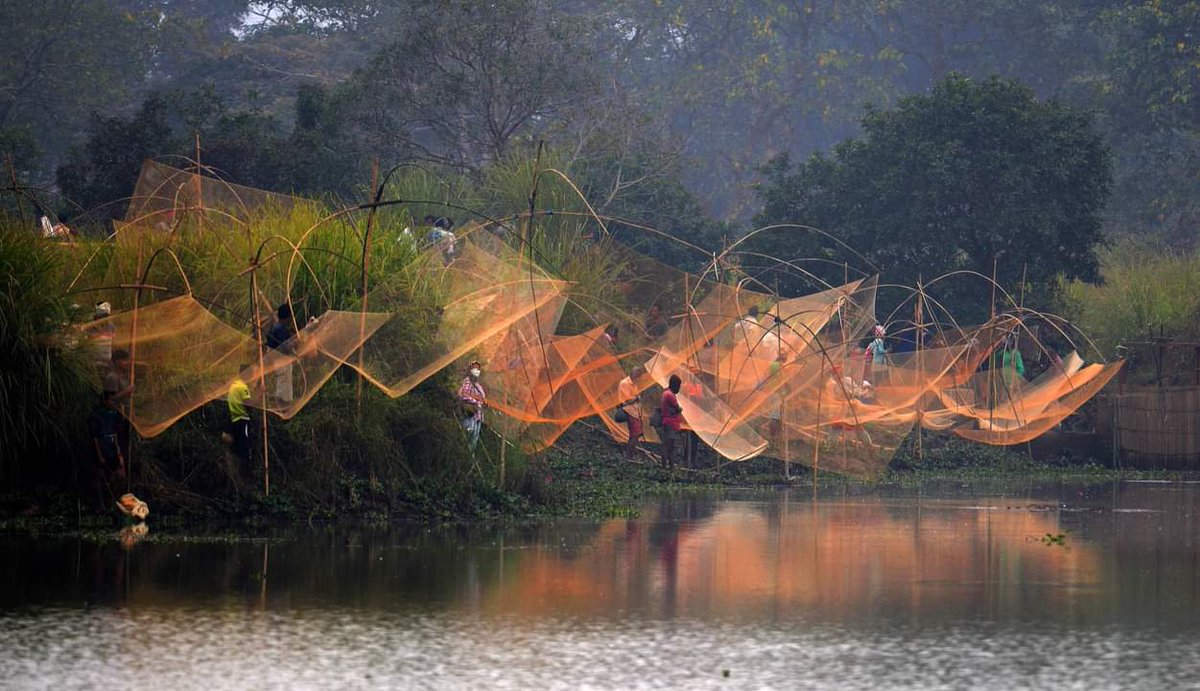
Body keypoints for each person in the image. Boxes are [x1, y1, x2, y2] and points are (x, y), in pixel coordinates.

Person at [85, 391, 127, 508]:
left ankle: (112, 501)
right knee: (99, 475)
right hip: (100, 450)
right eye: (111, 400)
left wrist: (118, 451)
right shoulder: (96, 416)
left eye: (114, 401)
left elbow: (116, 432)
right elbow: (95, 437)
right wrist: (100, 455)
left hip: (111, 449)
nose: (113, 403)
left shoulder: (113, 414)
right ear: (104, 401)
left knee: (112, 475)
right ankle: (100, 502)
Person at [266, 303, 296, 404]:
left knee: (282, 384)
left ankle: (282, 407)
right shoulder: (280, 329)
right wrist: (294, 343)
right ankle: (284, 409)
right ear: (287, 317)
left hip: (277, 360)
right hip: (281, 361)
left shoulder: (275, 327)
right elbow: (284, 347)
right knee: (284, 386)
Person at [617, 365, 645, 460]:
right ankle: (629, 456)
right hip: (629, 410)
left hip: (635, 411)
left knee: (635, 434)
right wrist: (637, 398)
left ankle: (630, 455)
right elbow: (627, 400)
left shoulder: (634, 384)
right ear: (634, 373)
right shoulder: (625, 383)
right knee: (635, 434)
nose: (638, 377)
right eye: (638, 374)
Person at [458, 360, 487, 452]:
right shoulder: (467, 381)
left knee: (472, 445)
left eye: (478, 369)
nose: (476, 370)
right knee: (465, 440)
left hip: (478, 417)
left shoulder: (478, 386)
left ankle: (468, 461)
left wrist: (483, 403)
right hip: (470, 414)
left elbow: (482, 400)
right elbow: (464, 395)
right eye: (474, 368)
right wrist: (476, 402)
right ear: (470, 369)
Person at [227, 367, 252, 465]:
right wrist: (260, 393)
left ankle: (238, 462)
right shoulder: (242, 387)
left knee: (239, 442)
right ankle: (245, 465)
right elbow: (249, 404)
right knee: (244, 444)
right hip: (243, 419)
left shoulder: (233, 386)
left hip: (234, 419)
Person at [660, 374, 684, 468]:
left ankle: (670, 466)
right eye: (678, 385)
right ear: (675, 385)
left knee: (670, 446)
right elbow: (678, 409)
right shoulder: (670, 395)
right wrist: (679, 409)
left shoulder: (666, 393)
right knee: (668, 445)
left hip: (670, 423)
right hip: (670, 423)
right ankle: (665, 467)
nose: (679, 388)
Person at [86, 302, 115, 369]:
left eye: (106, 316)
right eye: (102, 316)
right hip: (93, 362)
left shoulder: (111, 326)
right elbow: (87, 338)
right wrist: (100, 334)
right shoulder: (90, 326)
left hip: (107, 361)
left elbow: (113, 342)